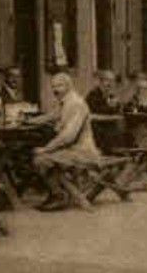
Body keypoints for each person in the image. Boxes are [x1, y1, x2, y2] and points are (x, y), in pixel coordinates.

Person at [32, 71, 100, 211]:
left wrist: (46, 149)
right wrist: (29, 120)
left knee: (40, 159)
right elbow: (52, 115)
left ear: (69, 86)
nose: (55, 89)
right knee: (42, 157)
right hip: (72, 149)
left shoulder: (75, 103)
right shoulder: (65, 101)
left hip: (83, 151)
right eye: (53, 86)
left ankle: (59, 195)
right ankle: (58, 194)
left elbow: (68, 136)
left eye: (60, 85)